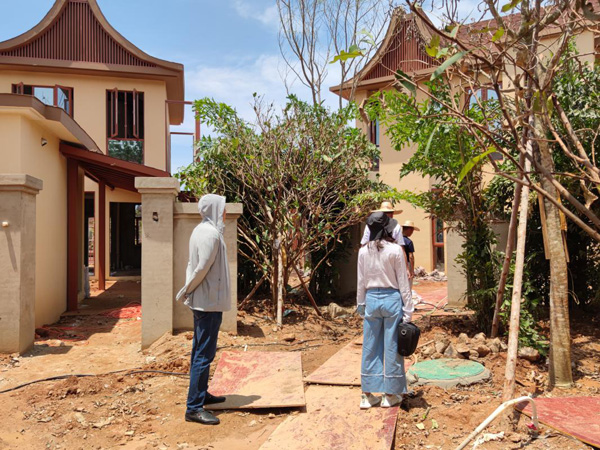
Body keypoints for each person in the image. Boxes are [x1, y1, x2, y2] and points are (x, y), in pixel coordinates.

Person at [176, 194, 230, 425]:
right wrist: (187, 289)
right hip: (208, 303)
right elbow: (201, 268)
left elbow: (194, 265)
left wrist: (189, 291)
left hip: (205, 301)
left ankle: (200, 394)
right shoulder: (210, 234)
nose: (225, 212)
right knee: (204, 354)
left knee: (200, 351)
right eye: (223, 208)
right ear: (215, 209)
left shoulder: (202, 230)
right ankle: (194, 408)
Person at [356, 212, 413, 409]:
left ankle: (367, 396)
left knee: (370, 347)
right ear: (387, 229)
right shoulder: (395, 250)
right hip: (392, 300)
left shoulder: (363, 252)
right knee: (392, 347)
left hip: (371, 300)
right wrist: (408, 309)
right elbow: (403, 282)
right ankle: (390, 395)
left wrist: (361, 304)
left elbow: (361, 281)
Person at [400, 220, 419, 291]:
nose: (412, 233)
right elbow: (411, 257)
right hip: (407, 264)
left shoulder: (395, 240)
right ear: (409, 229)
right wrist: (412, 270)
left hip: (397, 263)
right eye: (412, 231)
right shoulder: (409, 242)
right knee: (408, 284)